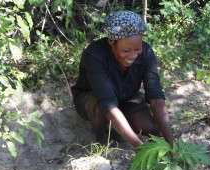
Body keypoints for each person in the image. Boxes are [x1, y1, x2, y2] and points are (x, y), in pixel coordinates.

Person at [71, 11, 174, 149]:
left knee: (151, 128)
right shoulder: (94, 55)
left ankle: (119, 127)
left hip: (126, 96)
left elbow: (156, 98)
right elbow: (108, 104)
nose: (132, 55)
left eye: (137, 49)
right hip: (94, 98)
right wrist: (139, 148)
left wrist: (171, 144)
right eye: (126, 50)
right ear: (111, 41)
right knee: (99, 106)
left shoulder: (147, 52)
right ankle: (101, 139)